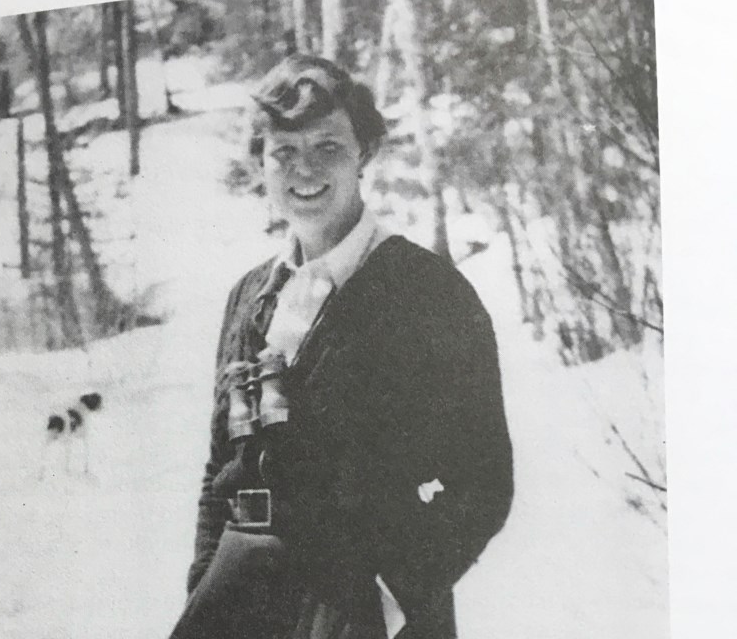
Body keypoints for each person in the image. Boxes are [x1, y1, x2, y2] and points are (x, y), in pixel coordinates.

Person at [169, 55, 514, 639]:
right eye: (284, 152)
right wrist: (205, 587)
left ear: (364, 155)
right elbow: (219, 472)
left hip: (359, 599)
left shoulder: (424, 291)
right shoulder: (249, 296)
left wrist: (390, 597)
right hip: (241, 593)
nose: (305, 170)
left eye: (328, 147)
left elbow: (485, 481)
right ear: (260, 163)